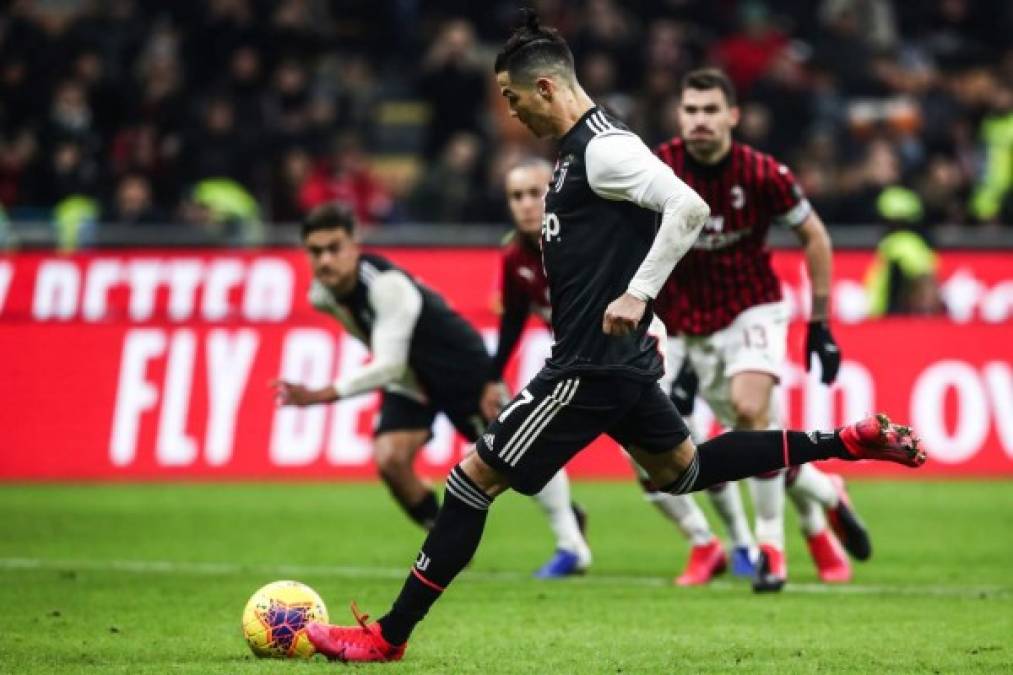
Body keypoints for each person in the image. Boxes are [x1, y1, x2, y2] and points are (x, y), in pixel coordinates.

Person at [300, 13, 925, 663]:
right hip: (619, 365)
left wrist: (639, 292)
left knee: (467, 482)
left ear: (545, 89)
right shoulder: (579, 154)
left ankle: (387, 636)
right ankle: (843, 440)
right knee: (685, 468)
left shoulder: (603, 148)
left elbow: (688, 207)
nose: (511, 115)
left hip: (586, 367)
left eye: (513, 99)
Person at [654, 67, 874, 591]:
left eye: (711, 110)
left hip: (751, 310)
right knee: (718, 447)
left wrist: (819, 323)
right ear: (679, 114)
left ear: (733, 116)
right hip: (686, 325)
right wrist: (668, 337)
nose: (700, 120)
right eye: (691, 110)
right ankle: (823, 498)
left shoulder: (762, 173)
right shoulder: (658, 168)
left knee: (752, 414)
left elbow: (815, 236)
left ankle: (770, 548)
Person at [273, 203, 587, 565]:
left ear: (355, 243)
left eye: (334, 248)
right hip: (410, 378)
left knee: (520, 456)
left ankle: (570, 534)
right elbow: (381, 349)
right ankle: (446, 542)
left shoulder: (386, 285)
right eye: (315, 251)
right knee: (390, 459)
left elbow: (387, 364)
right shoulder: (322, 294)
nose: (325, 260)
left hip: (460, 370)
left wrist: (322, 394)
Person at [493, 157, 746, 586]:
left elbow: (651, 285)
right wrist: (492, 371)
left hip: (642, 351)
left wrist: (678, 350)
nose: (526, 204)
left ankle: (742, 543)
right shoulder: (515, 256)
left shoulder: (583, 236)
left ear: (553, 193)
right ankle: (704, 542)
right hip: (591, 362)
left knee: (686, 451)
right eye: (516, 196)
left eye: (535, 193)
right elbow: (514, 318)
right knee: (649, 458)